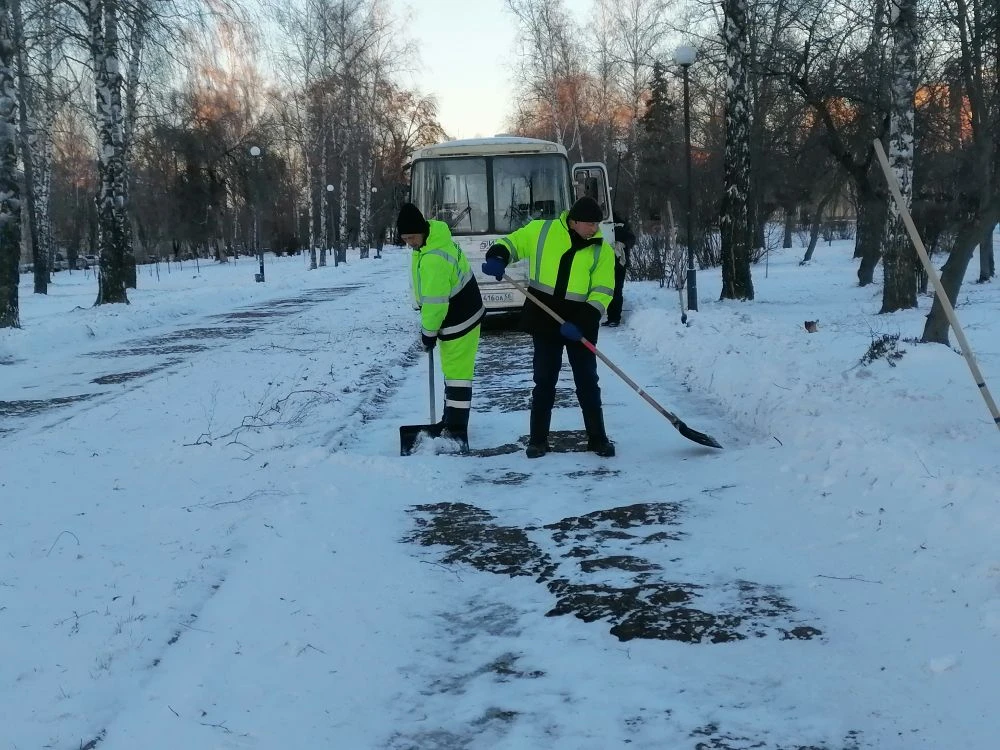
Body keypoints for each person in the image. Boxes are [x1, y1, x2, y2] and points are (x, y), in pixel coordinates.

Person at [481, 196, 617, 459]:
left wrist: (583, 322)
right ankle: (538, 440)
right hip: (544, 316)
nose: (594, 229)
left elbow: (603, 291)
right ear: (574, 221)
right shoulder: (542, 230)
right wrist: (498, 256)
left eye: (597, 224)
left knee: (587, 381)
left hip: (580, 321)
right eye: (590, 224)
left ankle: (598, 438)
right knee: (544, 380)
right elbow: (513, 242)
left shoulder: (602, 249)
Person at [397, 203, 485, 451]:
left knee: (458, 374)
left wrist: (427, 334)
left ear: (422, 230)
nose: (410, 243)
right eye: (404, 239)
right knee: (453, 370)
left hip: (460, 318)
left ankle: (455, 429)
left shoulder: (434, 258)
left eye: (412, 237)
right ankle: (450, 420)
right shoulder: (432, 240)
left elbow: (436, 304)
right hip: (460, 313)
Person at [604, 213, 635, 327]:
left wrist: (622, 245)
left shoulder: (622, 226)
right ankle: (611, 317)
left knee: (616, 291)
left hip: (618, 263)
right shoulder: (606, 225)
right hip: (611, 263)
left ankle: (615, 318)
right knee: (611, 291)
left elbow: (631, 239)